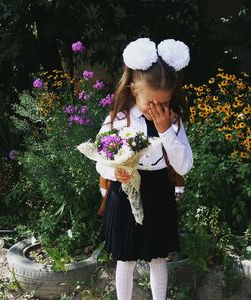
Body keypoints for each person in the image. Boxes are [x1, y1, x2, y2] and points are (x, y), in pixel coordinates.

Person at [96, 37, 193, 300]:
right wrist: (113, 172)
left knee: (158, 257)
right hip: (125, 191)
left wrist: (166, 132)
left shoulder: (172, 122)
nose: (156, 109)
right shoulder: (118, 119)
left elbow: (184, 164)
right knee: (125, 258)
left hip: (158, 191)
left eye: (163, 102)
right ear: (134, 89)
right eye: (150, 102)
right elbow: (101, 160)